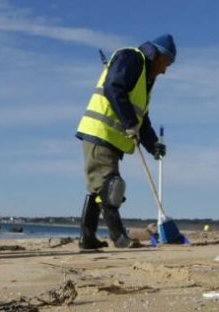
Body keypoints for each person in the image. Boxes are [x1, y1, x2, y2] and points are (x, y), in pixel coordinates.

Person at [75, 35, 175, 251]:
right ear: (158, 55)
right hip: (100, 131)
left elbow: (142, 118)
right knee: (111, 185)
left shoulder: (144, 78)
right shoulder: (132, 58)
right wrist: (129, 122)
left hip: (110, 137)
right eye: (166, 64)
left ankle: (87, 237)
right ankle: (119, 237)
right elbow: (114, 88)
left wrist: (152, 145)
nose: (164, 71)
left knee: (98, 188)